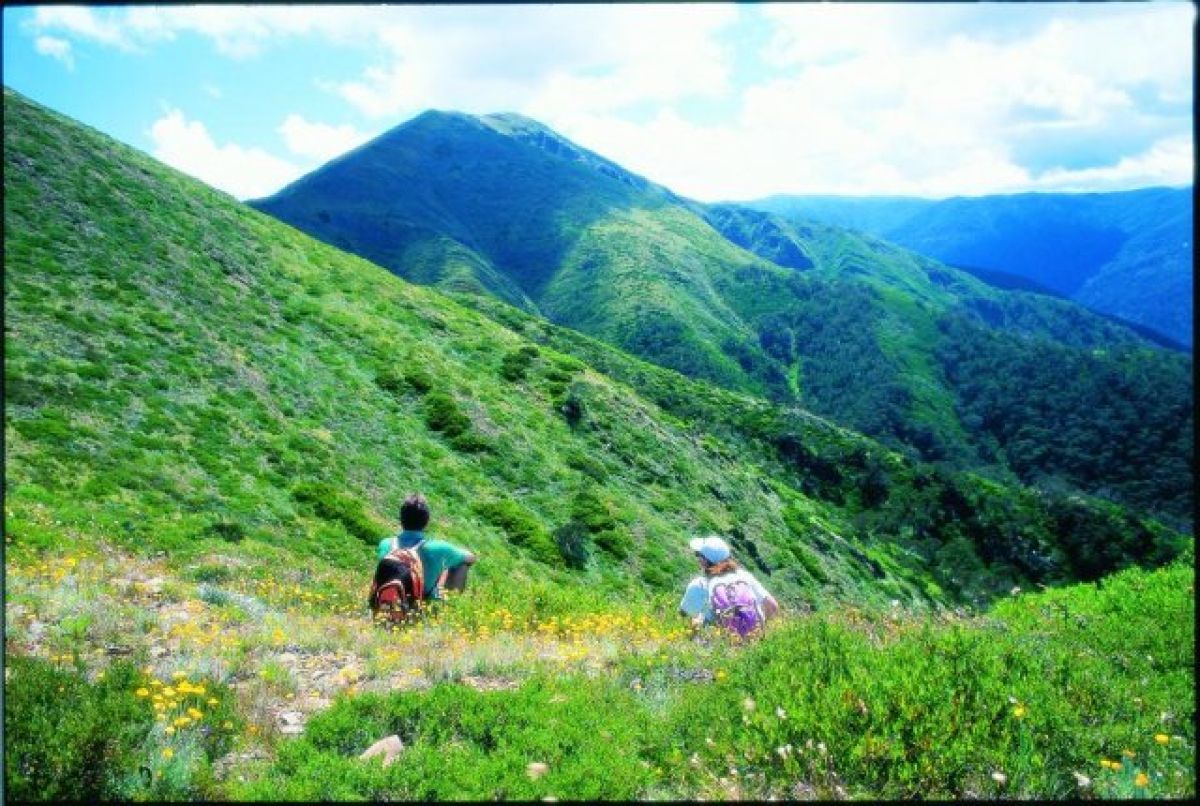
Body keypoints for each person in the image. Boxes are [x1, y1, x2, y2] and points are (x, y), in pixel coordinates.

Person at [376, 493, 477, 602]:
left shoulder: (385, 543)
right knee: (460, 564)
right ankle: (448, 605)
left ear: (401, 518)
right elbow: (471, 558)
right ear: (427, 521)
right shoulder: (438, 548)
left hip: (384, 601)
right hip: (416, 602)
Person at [679, 535, 779, 637]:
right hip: (755, 639)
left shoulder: (699, 585)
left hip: (721, 643)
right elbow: (772, 606)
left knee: (695, 622)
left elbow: (683, 616)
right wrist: (759, 631)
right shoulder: (744, 576)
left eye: (698, 554)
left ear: (705, 561)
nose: (697, 558)